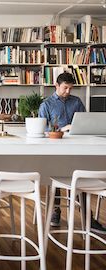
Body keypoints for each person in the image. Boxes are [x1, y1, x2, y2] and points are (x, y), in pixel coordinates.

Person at [39, 72, 106, 233]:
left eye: (70, 88)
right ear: (56, 86)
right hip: (55, 149)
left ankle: (86, 217)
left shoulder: (77, 102)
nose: (68, 91)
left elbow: (86, 123)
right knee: (57, 172)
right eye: (65, 88)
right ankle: (56, 211)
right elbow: (43, 130)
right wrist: (62, 129)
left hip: (77, 147)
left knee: (80, 176)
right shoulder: (46, 105)